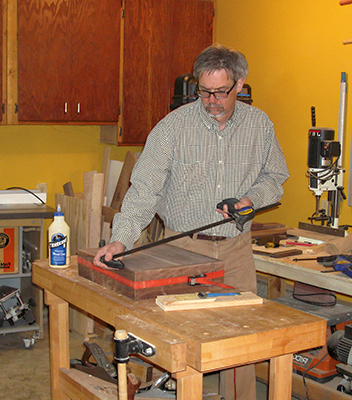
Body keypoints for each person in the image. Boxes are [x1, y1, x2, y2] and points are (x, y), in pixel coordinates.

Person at [94, 43, 289, 400]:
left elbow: (275, 177)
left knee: (240, 340)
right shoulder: (172, 128)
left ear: (240, 85)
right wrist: (122, 239)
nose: (211, 100)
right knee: (173, 340)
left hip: (234, 249)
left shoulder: (259, 125)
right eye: (204, 91)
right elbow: (144, 191)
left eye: (220, 92)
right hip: (180, 249)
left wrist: (251, 200)